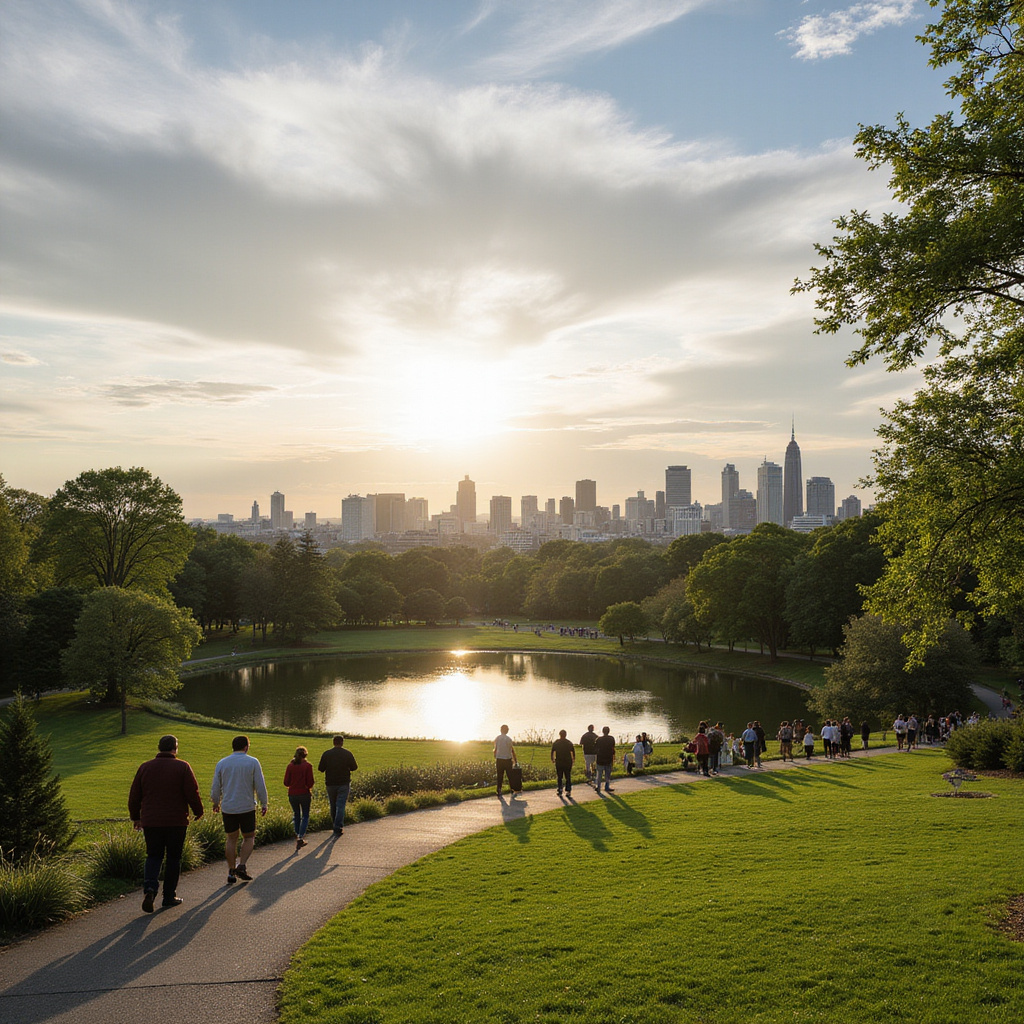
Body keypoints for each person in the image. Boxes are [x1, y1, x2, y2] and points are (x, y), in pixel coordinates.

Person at [128, 734, 204, 913]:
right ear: (175, 748)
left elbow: (134, 796)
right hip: (176, 821)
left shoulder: (145, 767)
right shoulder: (182, 767)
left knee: (153, 855)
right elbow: (192, 792)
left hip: (151, 821)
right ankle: (169, 896)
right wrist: (198, 811)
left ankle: (150, 889)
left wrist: (136, 817)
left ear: (159, 747)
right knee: (173, 858)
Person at [211, 735, 268, 885]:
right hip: (246, 806)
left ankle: (231, 870)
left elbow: (216, 786)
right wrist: (264, 803)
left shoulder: (222, 763)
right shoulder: (252, 762)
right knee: (249, 837)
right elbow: (260, 784)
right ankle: (241, 865)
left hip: (228, 807)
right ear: (246, 747)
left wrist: (216, 802)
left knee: (231, 838)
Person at [318, 735, 358, 836]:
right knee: (340, 805)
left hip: (330, 783)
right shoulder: (347, 754)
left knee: (333, 805)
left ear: (333, 742)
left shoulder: (327, 754)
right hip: (343, 783)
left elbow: (321, 768)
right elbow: (354, 767)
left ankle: (334, 824)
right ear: (342, 742)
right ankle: (338, 826)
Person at [284, 746, 314, 851]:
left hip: (292, 794)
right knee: (305, 815)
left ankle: (297, 834)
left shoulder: (290, 766)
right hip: (304, 793)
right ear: (305, 755)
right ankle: (300, 837)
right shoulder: (308, 766)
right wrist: (306, 787)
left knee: (296, 814)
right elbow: (310, 782)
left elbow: (286, 782)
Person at [493, 724, 517, 796]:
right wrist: (514, 759)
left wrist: (495, 756)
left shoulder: (497, 738)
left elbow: (495, 749)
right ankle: (512, 789)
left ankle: (499, 789)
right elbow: (511, 750)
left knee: (500, 775)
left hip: (499, 759)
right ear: (506, 731)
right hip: (507, 759)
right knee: (510, 775)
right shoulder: (508, 739)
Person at [550, 729, 575, 796]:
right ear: (565, 735)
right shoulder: (569, 743)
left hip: (559, 761)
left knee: (559, 776)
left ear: (559, 735)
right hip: (567, 761)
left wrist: (552, 758)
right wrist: (573, 760)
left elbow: (552, 751)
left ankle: (560, 789)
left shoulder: (556, 742)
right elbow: (573, 752)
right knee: (568, 776)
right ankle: (568, 790)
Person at [594, 726, 615, 792]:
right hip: (608, 758)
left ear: (602, 731)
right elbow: (613, 748)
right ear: (608, 731)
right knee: (607, 774)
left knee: (599, 774)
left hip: (600, 759)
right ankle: (607, 786)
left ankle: (598, 786)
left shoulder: (598, 739)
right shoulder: (611, 739)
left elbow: (595, 748)